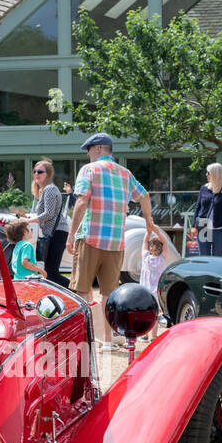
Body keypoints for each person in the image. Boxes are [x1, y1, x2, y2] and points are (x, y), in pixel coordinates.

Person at [68, 132, 161, 351]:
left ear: (98, 148)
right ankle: (108, 341)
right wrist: (149, 221)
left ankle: (86, 339)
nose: (88, 154)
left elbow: (81, 201)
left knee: (81, 291)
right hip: (115, 242)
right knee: (109, 294)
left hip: (90, 237)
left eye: (89, 150)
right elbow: (145, 196)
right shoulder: (125, 174)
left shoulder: (88, 170)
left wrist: (71, 234)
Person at [19, 158, 69, 286]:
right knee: (49, 272)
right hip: (55, 233)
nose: (36, 174)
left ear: (48, 174)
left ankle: (77, 292)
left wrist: (28, 220)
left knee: (51, 273)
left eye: (40, 171)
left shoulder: (50, 189)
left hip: (57, 233)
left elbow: (48, 213)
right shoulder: (45, 190)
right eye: (35, 171)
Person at [193, 163, 222, 257]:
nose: (206, 175)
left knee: (217, 257)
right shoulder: (204, 188)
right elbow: (197, 207)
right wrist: (194, 226)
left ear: (215, 174)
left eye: (208, 173)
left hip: (220, 229)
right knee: (204, 257)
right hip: (203, 226)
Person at [139, 234, 168, 341]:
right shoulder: (162, 259)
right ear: (161, 248)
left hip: (145, 291)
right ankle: (153, 336)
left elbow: (144, 241)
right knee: (155, 314)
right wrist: (157, 231)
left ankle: (145, 334)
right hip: (156, 292)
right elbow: (166, 243)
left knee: (145, 313)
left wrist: (148, 231)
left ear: (150, 248)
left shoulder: (145, 257)